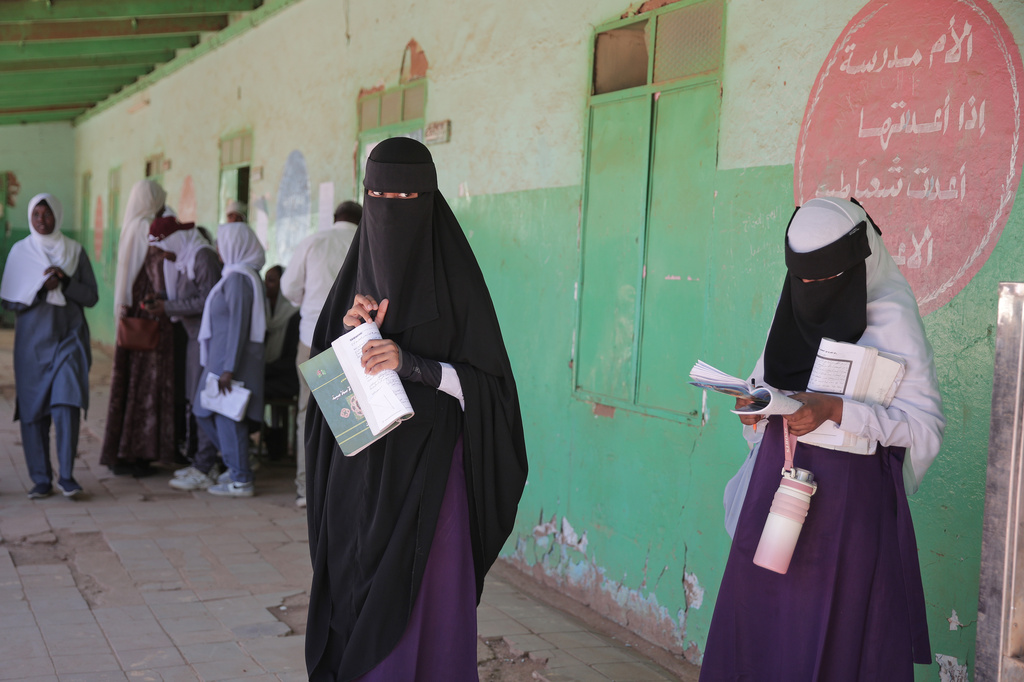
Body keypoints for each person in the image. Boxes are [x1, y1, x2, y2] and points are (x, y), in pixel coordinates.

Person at [304, 137, 528, 681]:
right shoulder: (350, 289)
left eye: (404, 196)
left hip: (429, 482)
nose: (390, 209)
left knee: (421, 615)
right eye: (378, 197)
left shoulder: (458, 287)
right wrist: (353, 338)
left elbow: (491, 391)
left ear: (428, 199)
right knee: (350, 605)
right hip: (355, 483)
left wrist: (414, 364)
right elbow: (325, 395)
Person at [699, 198, 945, 681]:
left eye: (823, 281)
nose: (809, 292)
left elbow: (923, 430)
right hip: (775, 500)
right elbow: (765, 383)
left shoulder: (895, 321)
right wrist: (756, 413)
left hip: (847, 516)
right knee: (757, 630)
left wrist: (836, 410)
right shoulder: (793, 306)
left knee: (833, 642)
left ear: (857, 266)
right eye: (801, 280)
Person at [0, 194, 98, 498]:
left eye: (48, 214)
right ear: (30, 218)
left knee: (67, 403)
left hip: (69, 339)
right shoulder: (20, 252)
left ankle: (67, 476)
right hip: (32, 344)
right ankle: (41, 478)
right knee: (33, 411)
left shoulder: (74, 251)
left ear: (58, 214)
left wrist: (65, 282)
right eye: (37, 215)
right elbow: (8, 300)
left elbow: (91, 297)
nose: (42, 220)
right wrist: (40, 289)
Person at [280, 200, 360, 507]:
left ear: (334, 217)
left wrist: (309, 303)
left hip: (312, 337)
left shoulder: (314, 241)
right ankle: (342, 493)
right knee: (354, 412)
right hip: (354, 340)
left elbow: (289, 288)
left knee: (308, 411)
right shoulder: (364, 242)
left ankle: (306, 488)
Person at [101, 179, 177, 476]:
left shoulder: (132, 225)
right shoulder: (146, 226)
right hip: (146, 311)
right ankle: (137, 452)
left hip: (133, 309)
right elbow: (149, 271)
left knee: (129, 382)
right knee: (144, 385)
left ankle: (124, 450)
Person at [144, 215, 225, 491]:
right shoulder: (185, 257)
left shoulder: (202, 257)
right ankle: (201, 460)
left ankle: (207, 464)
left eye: (164, 246)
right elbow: (188, 296)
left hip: (208, 341)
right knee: (195, 400)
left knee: (203, 401)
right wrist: (163, 301)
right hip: (194, 339)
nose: (163, 254)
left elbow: (208, 300)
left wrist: (167, 308)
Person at [192, 220, 267, 497]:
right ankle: (240, 462)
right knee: (206, 411)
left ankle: (241, 477)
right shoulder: (235, 275)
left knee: (227, 417)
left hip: (229, 361)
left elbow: (238, 325)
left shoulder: (238, 280)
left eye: (221, 243)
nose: (217, 249)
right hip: (219, 358)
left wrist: (229, 368)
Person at [262, 264, 300, 457]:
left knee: (252, 390)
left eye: (271, 280)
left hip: (288, 378)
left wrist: (263, 370)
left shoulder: (294, 316)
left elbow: (291, 360)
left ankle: (273, 440)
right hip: (270, 374)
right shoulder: (265, 313)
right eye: (265, 279)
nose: (265, 285)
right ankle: (269, 436)